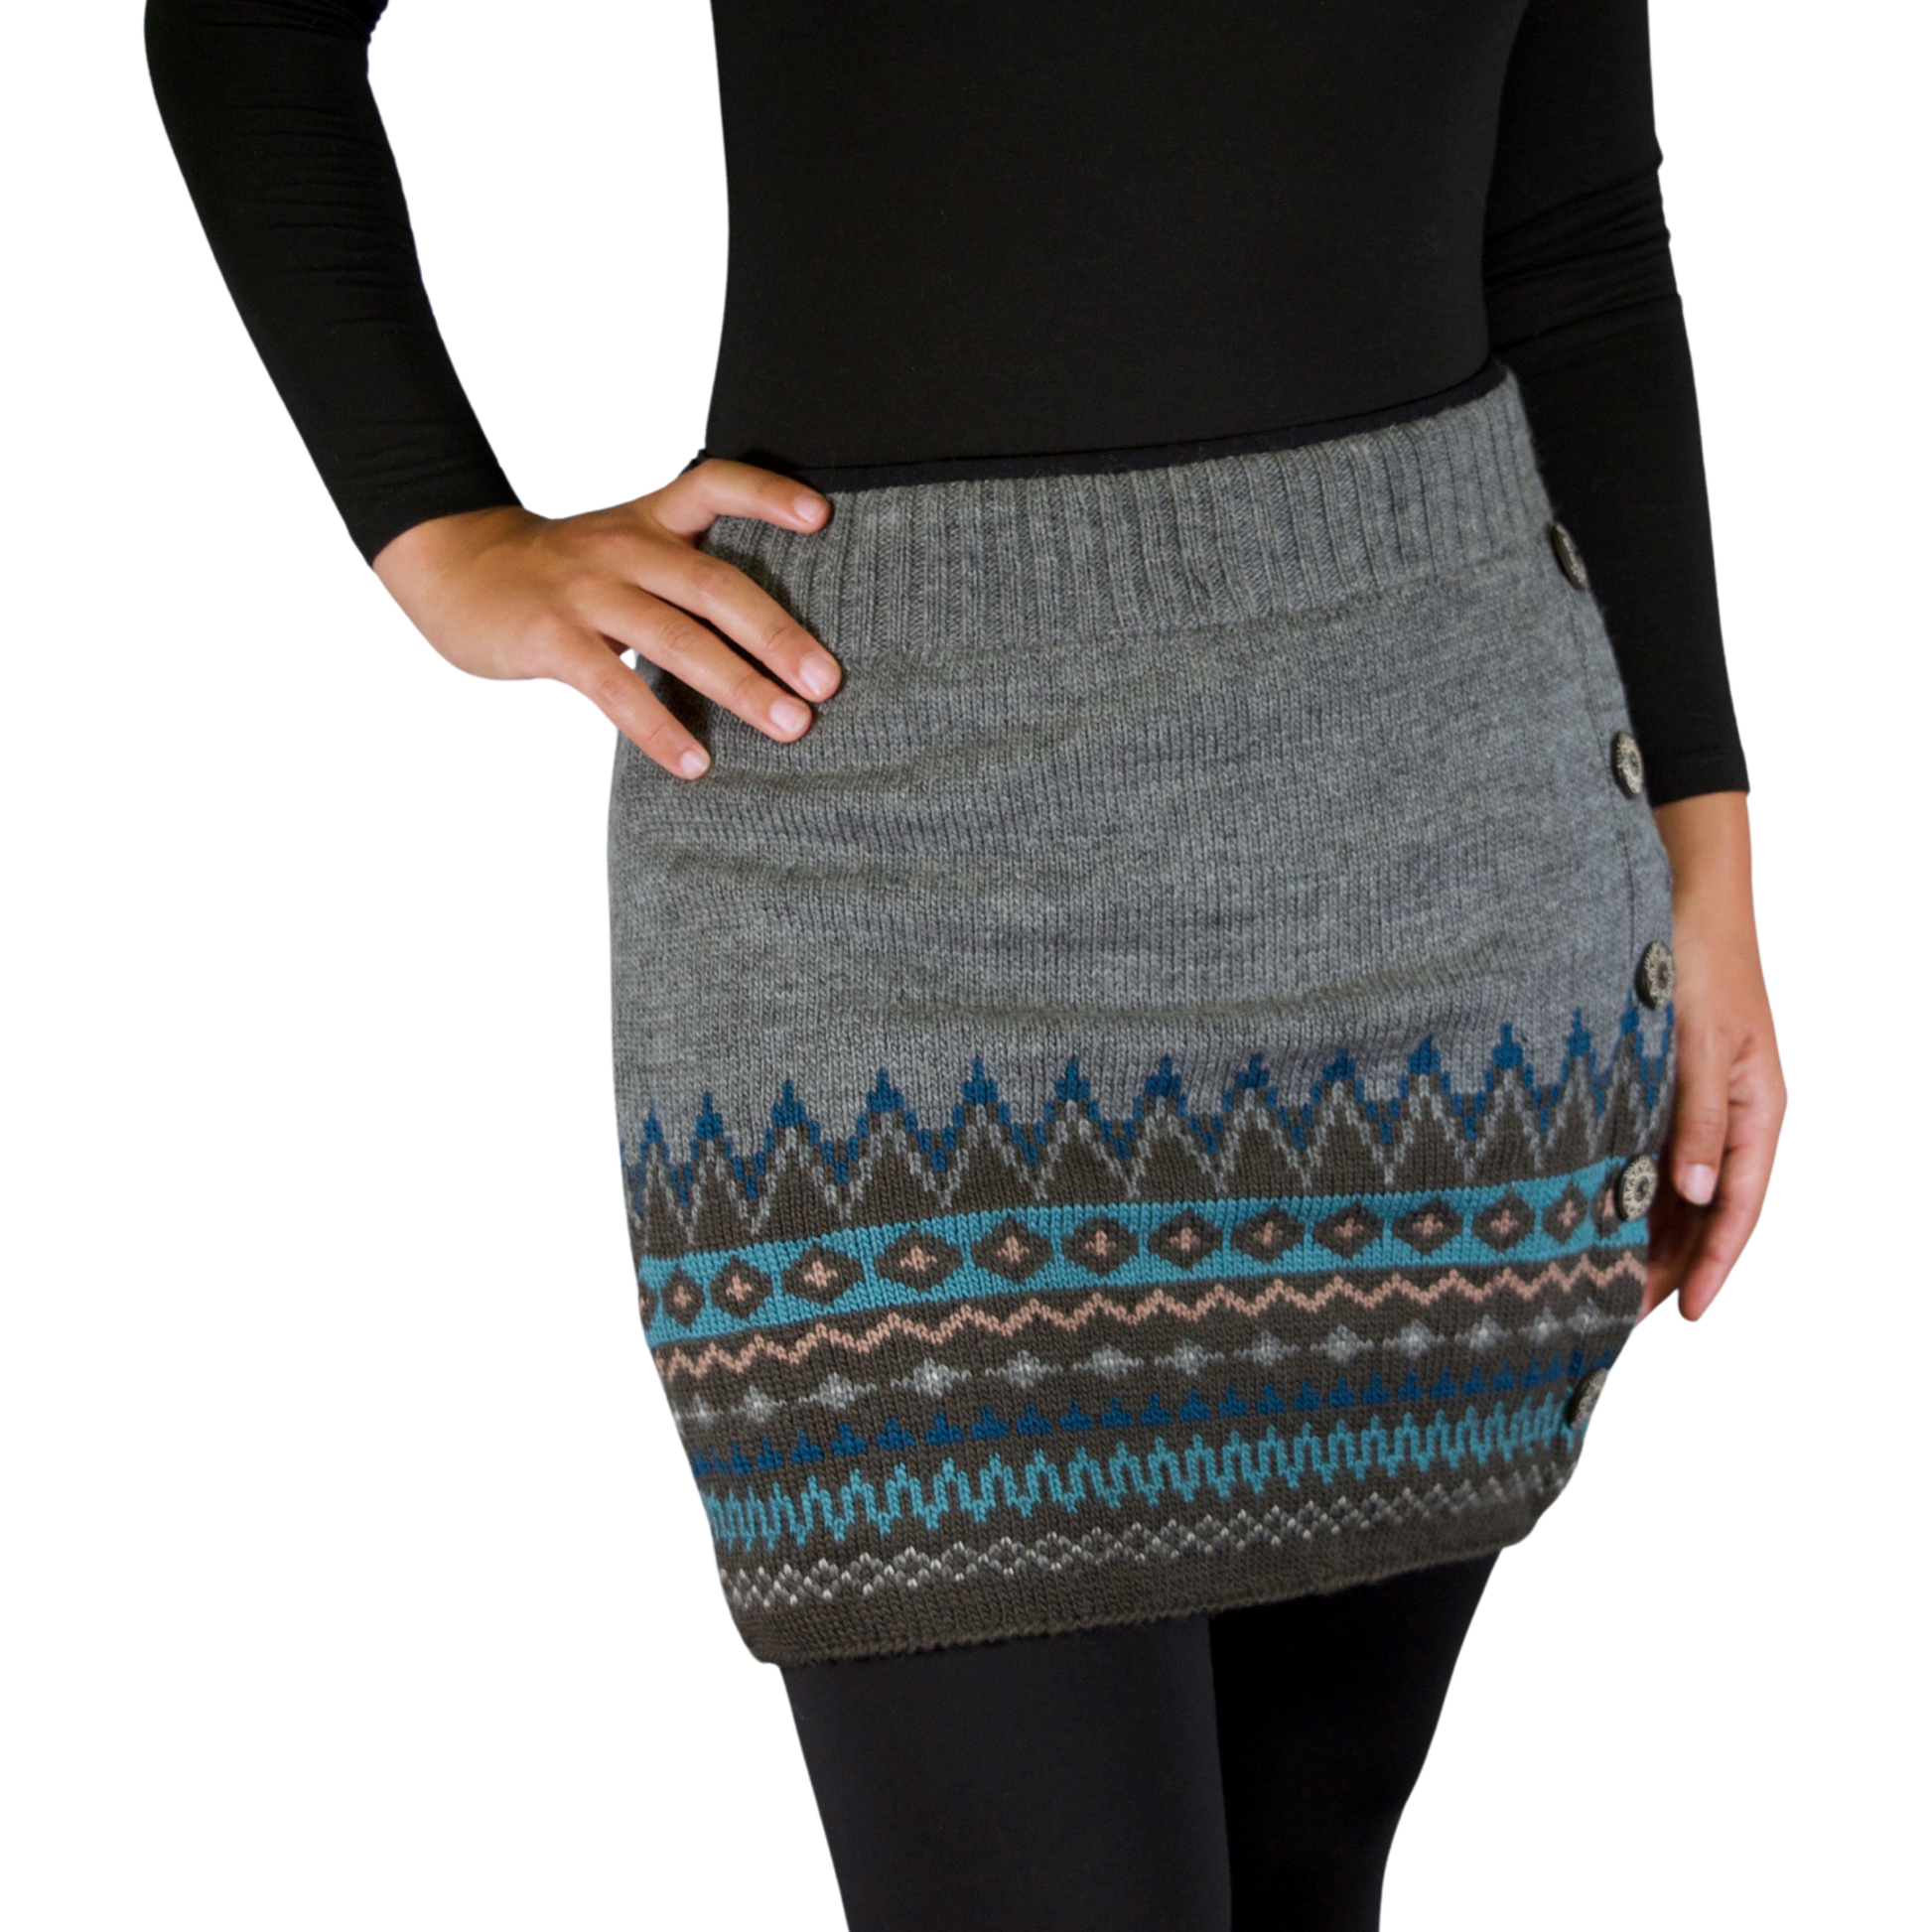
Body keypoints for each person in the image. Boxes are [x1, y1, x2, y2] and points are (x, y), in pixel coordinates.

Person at [145, 3, 1788, 1924]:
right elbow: (249, 25)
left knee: (1299, 1873)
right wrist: (440, 538)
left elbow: (1576, 234)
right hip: (884, 872)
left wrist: (1707, 872)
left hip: (1450, 855)